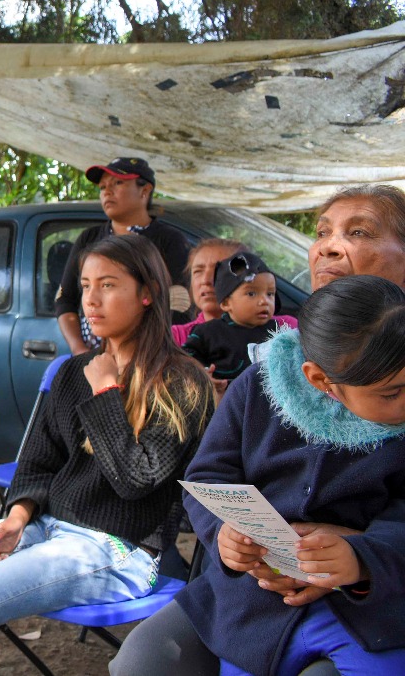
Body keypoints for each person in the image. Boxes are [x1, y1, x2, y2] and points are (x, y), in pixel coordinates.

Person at [0, 234, 213, 676]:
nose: (91, 299)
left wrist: (106, 391)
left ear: (147, 293)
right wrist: (18, 515)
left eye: (108, 285)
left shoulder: (182, 381)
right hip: (46, 528)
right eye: (85, 286)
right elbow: (37, 462)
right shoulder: (70, 373)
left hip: (121, 551)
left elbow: (136, 480)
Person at [112, 275, 405, 676]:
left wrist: (361, 559)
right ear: (320, 380)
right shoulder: (259, 387)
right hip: (247, 594)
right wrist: (228, 536)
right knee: (141, 660)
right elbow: (208, 477)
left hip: (371, 604)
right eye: (391, 393)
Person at [54, 157, 192, 355]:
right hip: (93, 355)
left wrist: (151, 352)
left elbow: (180, 304)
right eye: (102, 187)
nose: (107, 192)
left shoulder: (169, 240)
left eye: (117, 183)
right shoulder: (89, 238)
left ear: (145, 191)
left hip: (150, 355)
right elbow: (64, 299)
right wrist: (79, 350)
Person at [183, 252, 297, 399]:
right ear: (225, 303)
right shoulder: (208, 332)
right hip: (222, 404)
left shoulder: (279, 331)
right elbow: (185, 359)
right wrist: (202, 374)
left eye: (270, 294)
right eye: (251, 294)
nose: (264, 301)